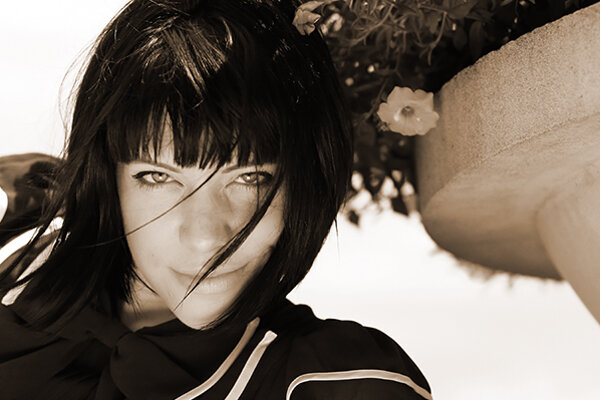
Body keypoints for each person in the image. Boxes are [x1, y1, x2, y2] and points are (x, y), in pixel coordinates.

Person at [0, 0, 431, 399]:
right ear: (107, 177)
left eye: (249, 177)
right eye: (157, 176)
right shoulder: (17, 270)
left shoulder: (342, 383)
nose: (205, 238)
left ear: (306, 180)